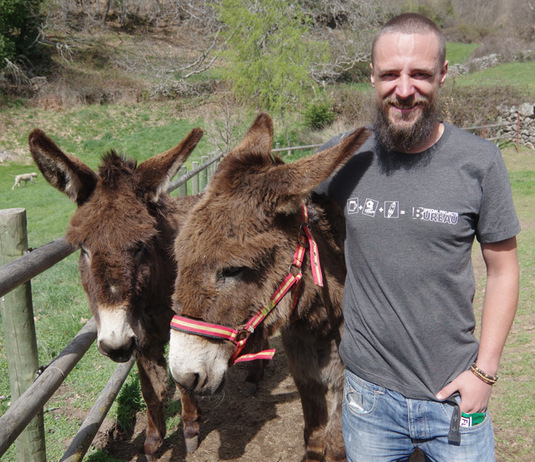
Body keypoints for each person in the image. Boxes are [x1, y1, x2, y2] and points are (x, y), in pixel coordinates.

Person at [316, 12, 520, 461]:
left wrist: (484, 374)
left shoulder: (480, 162)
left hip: (453, 395)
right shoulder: (344, 156)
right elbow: (269, 197)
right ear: (372, 76)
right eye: (390, 74)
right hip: (368, 399)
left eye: (420, 74)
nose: (404, 89)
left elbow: (504, 271)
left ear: (443, 75)